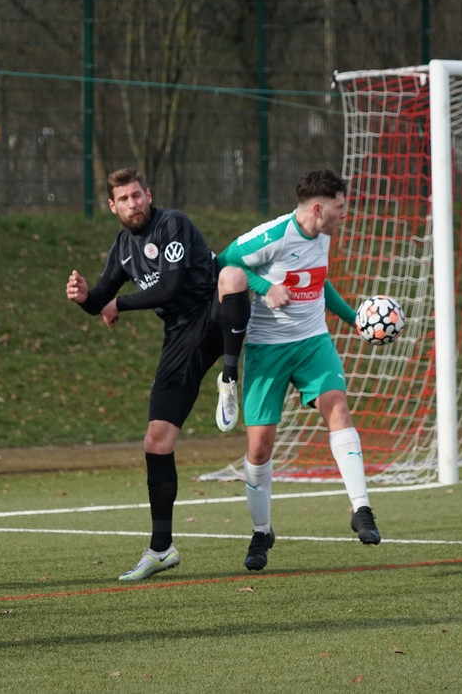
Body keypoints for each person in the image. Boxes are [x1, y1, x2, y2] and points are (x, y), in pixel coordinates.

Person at [66, 168, 249, 580]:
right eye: (124, 199)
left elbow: (170, 288)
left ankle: (229, 376)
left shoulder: (173, 224)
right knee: (157, 440)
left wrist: (119, 305)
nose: (133, 204)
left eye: (137, 195)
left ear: (149, 195)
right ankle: (162, 548)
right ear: (112, 206)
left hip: (212, 313)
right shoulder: (122, 248)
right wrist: (85, 298)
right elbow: (101, 298)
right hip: (179, 337)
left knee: (233, 276)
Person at [217, 168, 381, 572]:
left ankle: (361, 509)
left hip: (312, 343)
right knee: (259, 447)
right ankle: (262, 532)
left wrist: (352, 319)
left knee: (338, 408)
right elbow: (224, 264)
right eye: (340, 207)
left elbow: (318, 282)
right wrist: (265, 287)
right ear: (318, 208)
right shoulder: (272, 236)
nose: (345, 213)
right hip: (266, 349)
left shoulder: (323, 235)